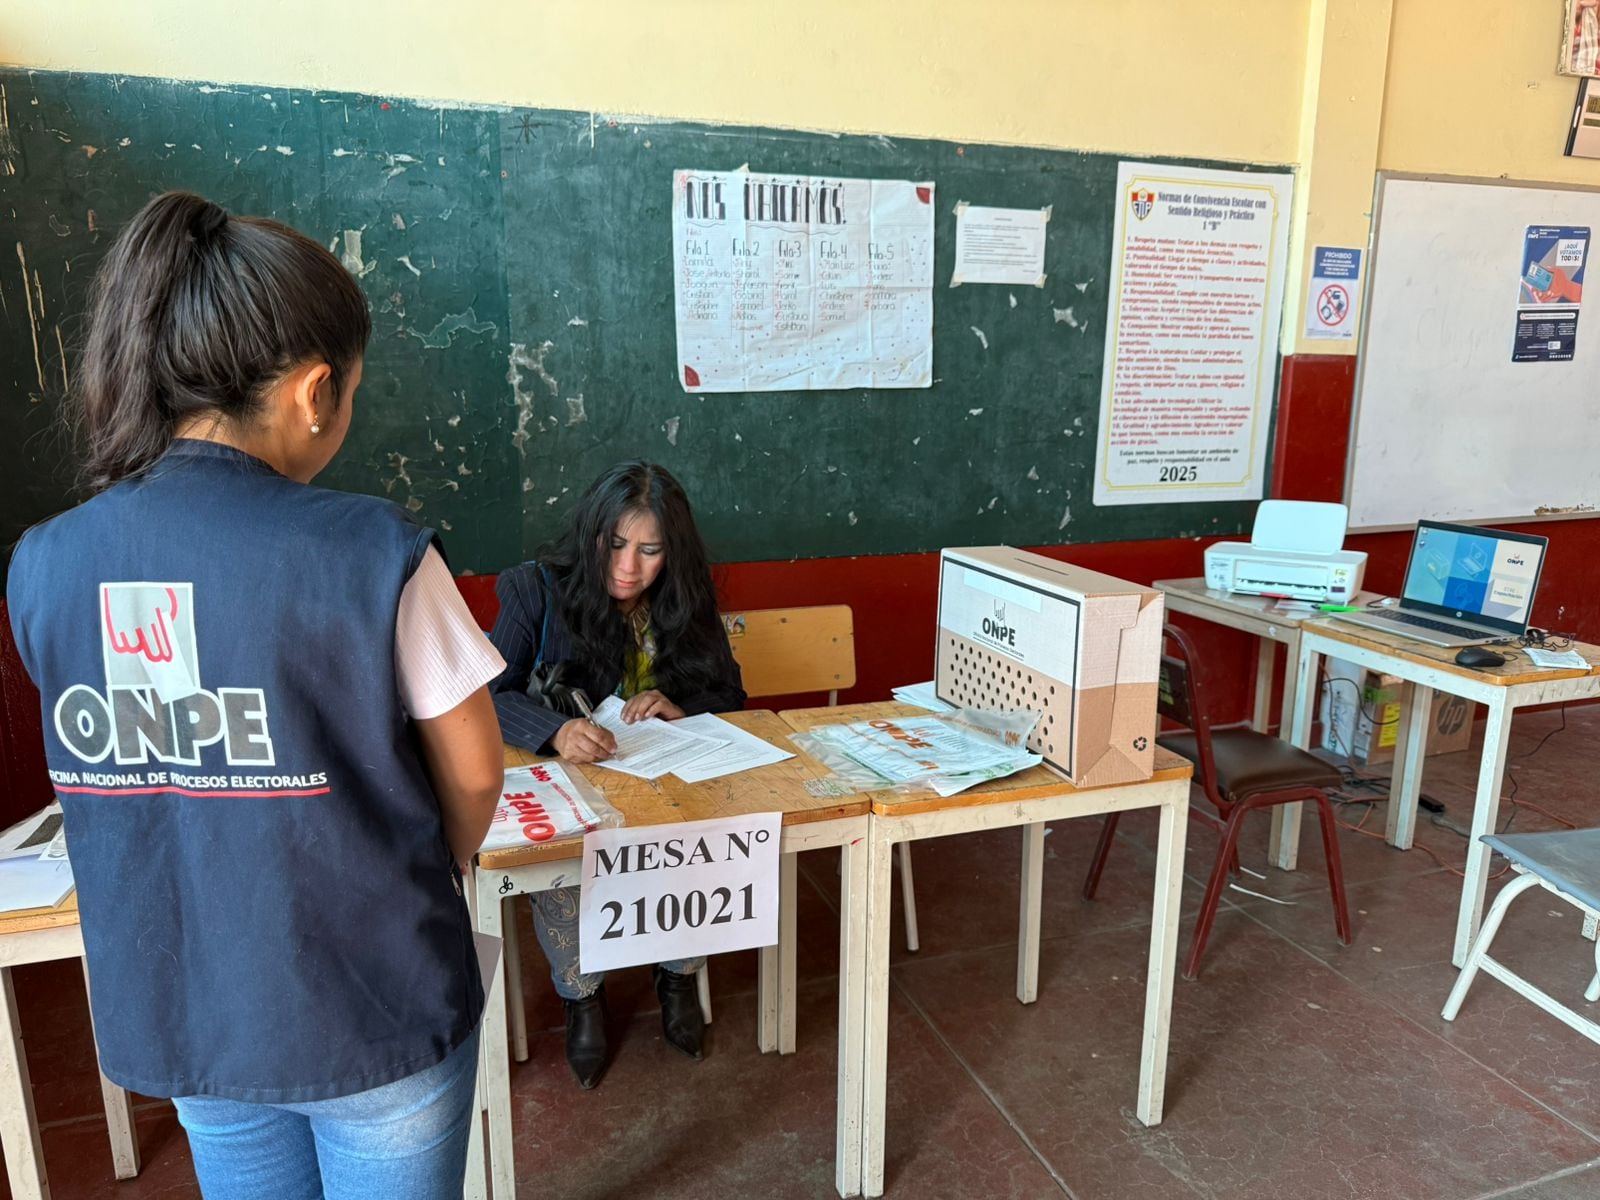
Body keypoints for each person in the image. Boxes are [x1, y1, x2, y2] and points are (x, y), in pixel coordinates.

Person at [5, 192, 508, 1200]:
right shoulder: (375, 553)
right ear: (315, 390)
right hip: (372, 1004)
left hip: (191, 1012)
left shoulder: (43, 565)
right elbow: (476, 769)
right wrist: (427, 866)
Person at [488, 460, 745, 1088]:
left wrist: (681, 708)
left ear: (671, 553)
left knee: (698, 845)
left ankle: (678, 977)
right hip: (573, 785)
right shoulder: (535, 590)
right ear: (591, 534)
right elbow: (484, 693)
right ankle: (583, 998)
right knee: (565, 864)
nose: (629, 567)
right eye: (616, 544)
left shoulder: (686, 599)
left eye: (651, 550)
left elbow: (733, 696)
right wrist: (553, 730)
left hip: (664, 782)